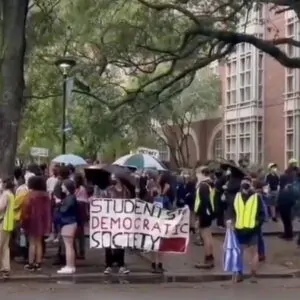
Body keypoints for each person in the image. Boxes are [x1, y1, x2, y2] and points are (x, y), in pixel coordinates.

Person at [227, 177, 265, 283]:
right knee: (246, 252)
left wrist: (257, 224)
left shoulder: (244, 196)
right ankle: (246, 274)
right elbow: (232, 210)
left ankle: (247, 274)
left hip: (247, 229)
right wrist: (231, 221)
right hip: (244, 229)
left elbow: (262, 214)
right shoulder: (242, 197)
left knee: (247, 252)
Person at [21, 176, 51, 271]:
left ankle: (31, 263)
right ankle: (38, 263)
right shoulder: (46, 195)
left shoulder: (29, 195)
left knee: (32, 243)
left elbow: (25, 209)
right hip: (43, 221)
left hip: (32, 221)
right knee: (39, 242)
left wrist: (23, 221)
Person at [103, 174, 130, 275]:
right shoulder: (108, 190)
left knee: (120, 243)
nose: (113, 179)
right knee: (109, 242)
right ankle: (108, 265)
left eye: (115, 177)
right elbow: (104, 204)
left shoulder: (126, 191)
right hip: (111, 220)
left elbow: (129, 205)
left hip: (121, 220)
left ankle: (121, 265)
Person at [56, 179, 79, 274]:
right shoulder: (70, 197)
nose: (61, 187)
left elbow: (64, 210)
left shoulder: (70, 198)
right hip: (70, 222)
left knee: (68, 246)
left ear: (67, 187)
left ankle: (69, 266)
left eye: (63, 186)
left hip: (68, 223)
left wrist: (59, 204)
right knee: (69, 245)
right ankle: (70, 265)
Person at [194, 166, 215, 269]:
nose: (196, 175)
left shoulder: (203, 186)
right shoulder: (208, 184)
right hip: (208, 213)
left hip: (204, 213)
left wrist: (199, 214)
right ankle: (210, 257)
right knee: (208, 235)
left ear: (202, 174)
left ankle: (207, 258)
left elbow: (203, 201)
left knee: (205, 236)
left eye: (197, 173)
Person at [0, 178, 16, 278]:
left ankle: (3, 268)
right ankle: (5, 268)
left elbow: (1, 207)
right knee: (5, 247)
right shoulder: (11, 194)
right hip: (8, 224)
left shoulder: (5, 194)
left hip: (2, 223)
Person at [74, 173, 88, 259]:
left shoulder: (74, 189)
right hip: (82, 211)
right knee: (81, 234)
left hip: (75, 210)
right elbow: (86, 201)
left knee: (74, 233)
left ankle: (75, 252)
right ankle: (82, 251)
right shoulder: (83, 189)